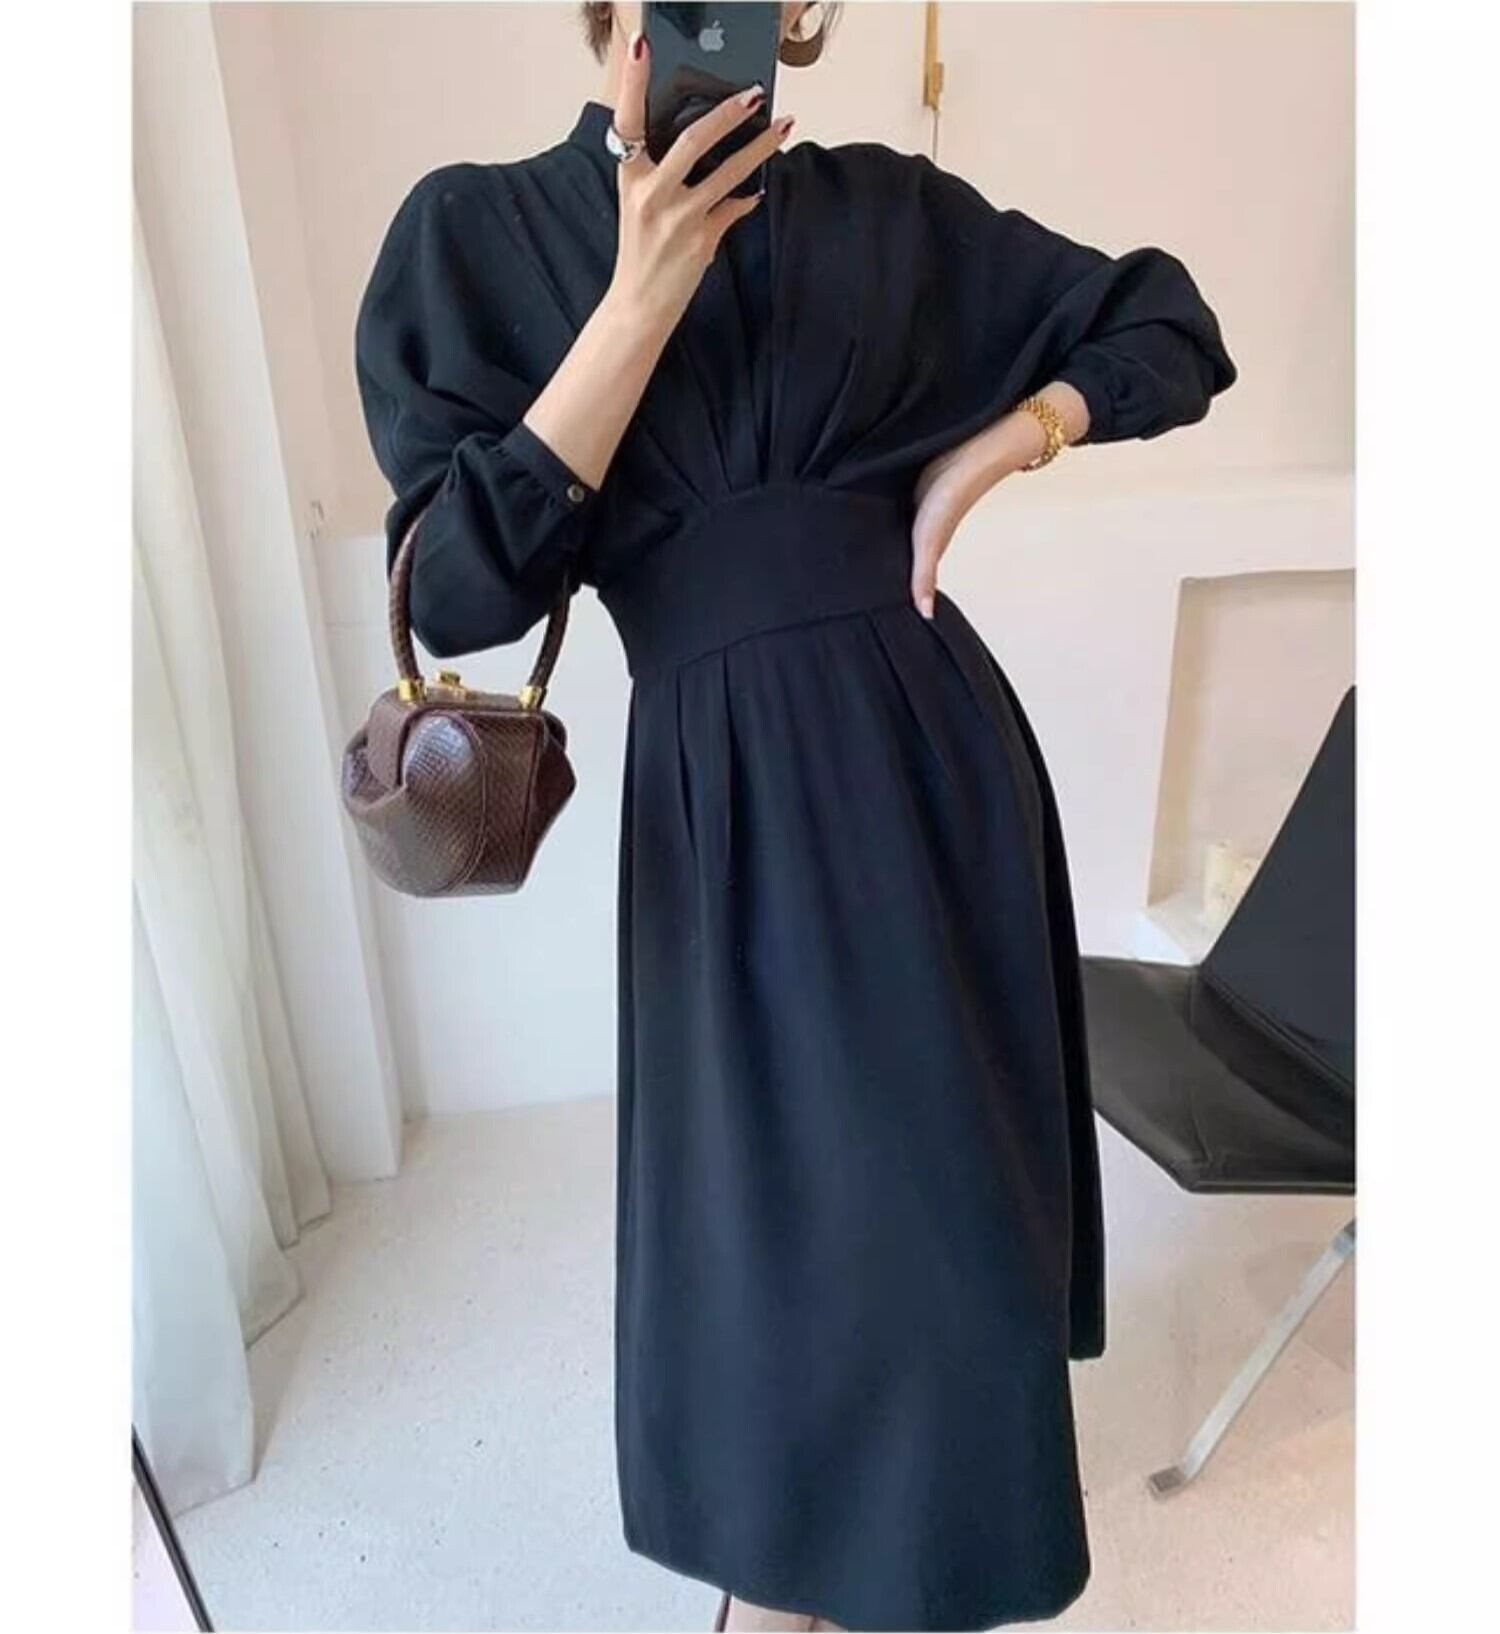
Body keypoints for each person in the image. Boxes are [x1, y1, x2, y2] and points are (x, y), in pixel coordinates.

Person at [354, 4, 1237, 1629]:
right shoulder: (476, 236)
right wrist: (640, 295)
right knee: (773, 1252)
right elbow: (464, 590)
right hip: (725, 802)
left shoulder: (885, 211)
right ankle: (775, 1595)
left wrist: (1002, 445)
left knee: (945, 1233)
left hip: (935, 774)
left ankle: (910, 1578)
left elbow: (1166, 323)